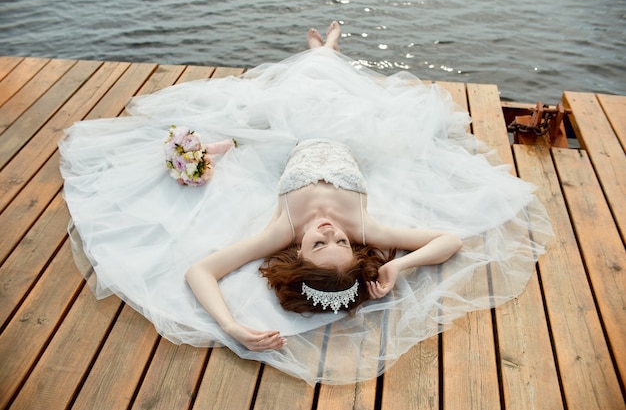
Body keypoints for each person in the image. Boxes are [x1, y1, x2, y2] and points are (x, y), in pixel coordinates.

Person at [59, 21, 552, 385]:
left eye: (322, 241)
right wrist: (402, 268)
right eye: (338, 239)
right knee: (337, 89)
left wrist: (230, 324)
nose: (328, 228)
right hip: (349, 133)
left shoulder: (282, 231)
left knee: (298, 87)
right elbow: (450, 239)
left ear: (299, 254)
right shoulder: (364, 226)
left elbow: (200, 272)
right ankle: (326, 50)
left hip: (290, 134)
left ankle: (322, 51)